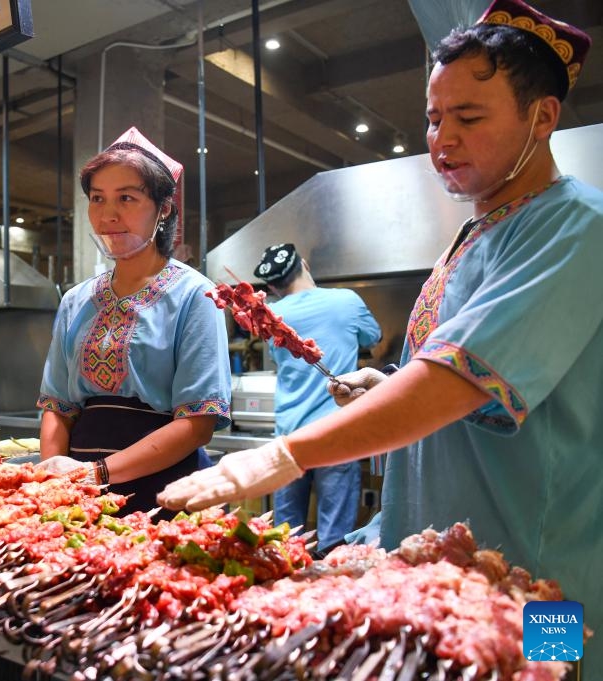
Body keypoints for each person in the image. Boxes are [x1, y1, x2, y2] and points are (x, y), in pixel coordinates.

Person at [159, 0, 602, 673]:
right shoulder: (470, 237)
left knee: (553, 672)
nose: (441, 140)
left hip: (545, 577)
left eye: (469, 118)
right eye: (433, 118)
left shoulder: (577, 227)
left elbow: (459, 378)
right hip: (443, 574)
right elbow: (468, 390)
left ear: (542, 117)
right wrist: (391, 384)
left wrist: (285, 455)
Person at [36, 127, 231, 516]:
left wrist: (98, 473)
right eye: (97, 199)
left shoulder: (196, 295)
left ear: (164, 209)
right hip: (81, 496)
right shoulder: (76, 300)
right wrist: (52, 483)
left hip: (165, 493)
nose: (108, 215)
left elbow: (198, 422)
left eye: (127, 198)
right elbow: (58, 405)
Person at [253, 243, 381, 553]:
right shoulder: (347, 301)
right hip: (337, 432)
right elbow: (372, 337)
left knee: (286, 539)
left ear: (271, 287)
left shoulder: (273, 316)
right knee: (334, 542)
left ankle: (283, 594)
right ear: (305, 265)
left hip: (290, 437)